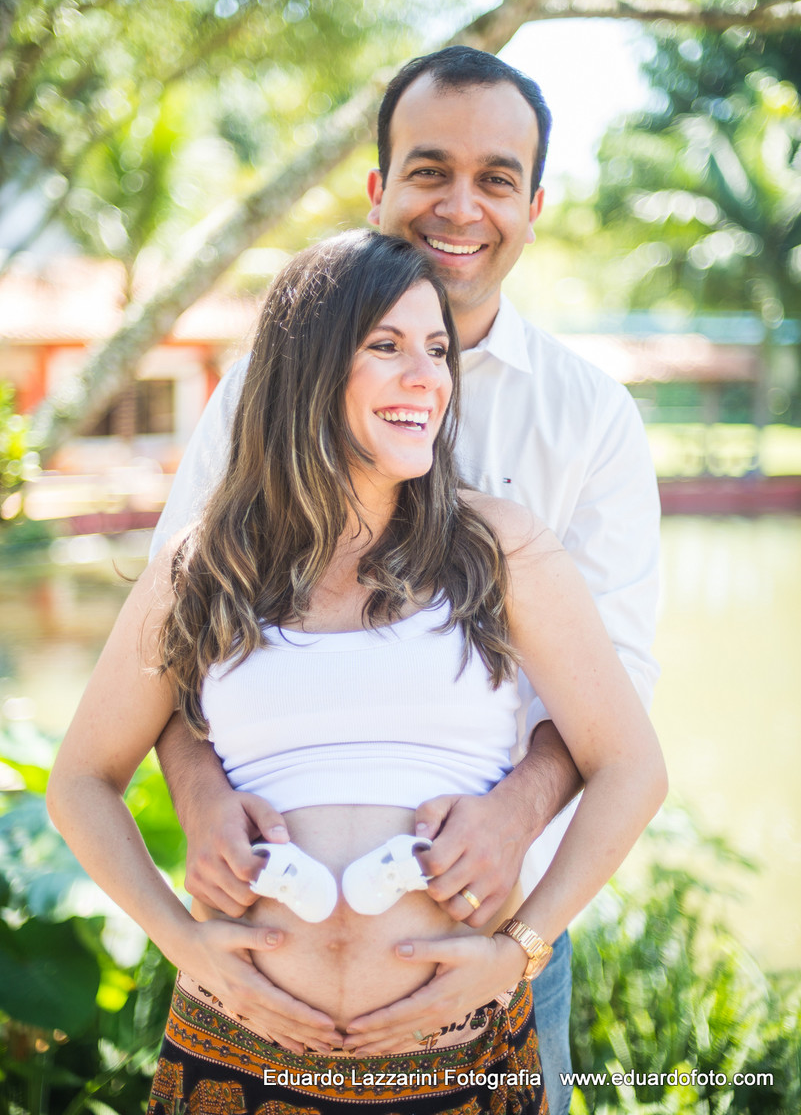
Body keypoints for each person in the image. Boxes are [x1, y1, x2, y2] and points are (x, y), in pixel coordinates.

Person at [47, 231, 667, 1115]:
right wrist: (181, 941)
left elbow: (630, 767)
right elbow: (81, 780)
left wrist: (518, 952)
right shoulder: (206, 563)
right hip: (237, 1052)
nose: (428, 377)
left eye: (437, 350)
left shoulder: (499, 548)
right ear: (307, 367)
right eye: (387, 345)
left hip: (457, 1056)